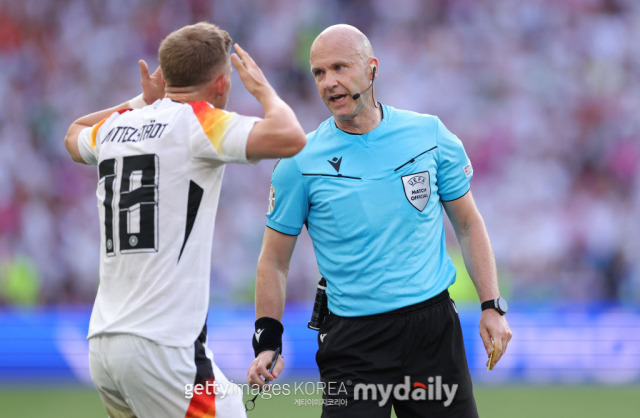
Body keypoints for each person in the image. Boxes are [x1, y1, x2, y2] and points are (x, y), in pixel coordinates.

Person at [247, 24, 512, 417]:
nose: (329, 82)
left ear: (371, 69)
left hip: (433, 333)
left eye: (339, 67)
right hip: (353, 343)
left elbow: (468, 223)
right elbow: (273, 260)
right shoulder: (300, 162)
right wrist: (268, 339)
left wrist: (492, 304)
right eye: (319, 72)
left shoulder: (430, 135)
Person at [64, 22, 305, 418]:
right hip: (163, 348)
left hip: (104, 343)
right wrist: (263, 89)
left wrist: (142, 102)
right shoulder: (199, 120)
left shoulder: (118, 126)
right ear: (222, 84)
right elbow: (291, 136)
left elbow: (74, 133)